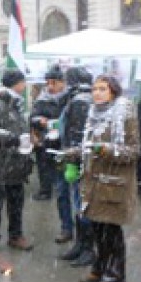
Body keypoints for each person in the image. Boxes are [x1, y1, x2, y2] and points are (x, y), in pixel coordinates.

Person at [67, 74, 139, 282]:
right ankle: (100, 268)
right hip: (94, 184)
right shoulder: (94, 114)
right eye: (95, 89)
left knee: (111, 231)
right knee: (98, 229)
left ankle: (115, 276)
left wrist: (106, 150)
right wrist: (72, 153)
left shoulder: (125, 114)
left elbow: (133, 151)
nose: (97, 93)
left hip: (114, 184)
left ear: (113, 91)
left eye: (102, 89)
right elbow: (89, 147)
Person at [0, 69, 34, 256]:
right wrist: (13, 138)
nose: (25, 85)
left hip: (17, 163)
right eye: (23, 82)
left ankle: (15, 235)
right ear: (16, 83)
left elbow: (21, 128)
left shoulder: (18, 104)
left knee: (16, 203)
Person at [59, 67, 95, 267]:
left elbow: (78, 135)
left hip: (81, 160)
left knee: (83, 204)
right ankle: (81, 245)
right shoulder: (81, 98)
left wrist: (72, 159)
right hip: (82, 159)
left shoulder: (80, 100)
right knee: (80, 204)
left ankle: (87, 248)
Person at [29, 65, 68, 202]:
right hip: (45, 138)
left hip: (63, 139)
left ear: (62, 83)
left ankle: (62, 190)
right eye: (48, 83)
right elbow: (33, 117)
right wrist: (39, 120)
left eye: (54, 83)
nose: (50, 86)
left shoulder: (68, 99)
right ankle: (45, 191)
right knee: (43, 165)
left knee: (61, 166)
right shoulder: (42, 99)